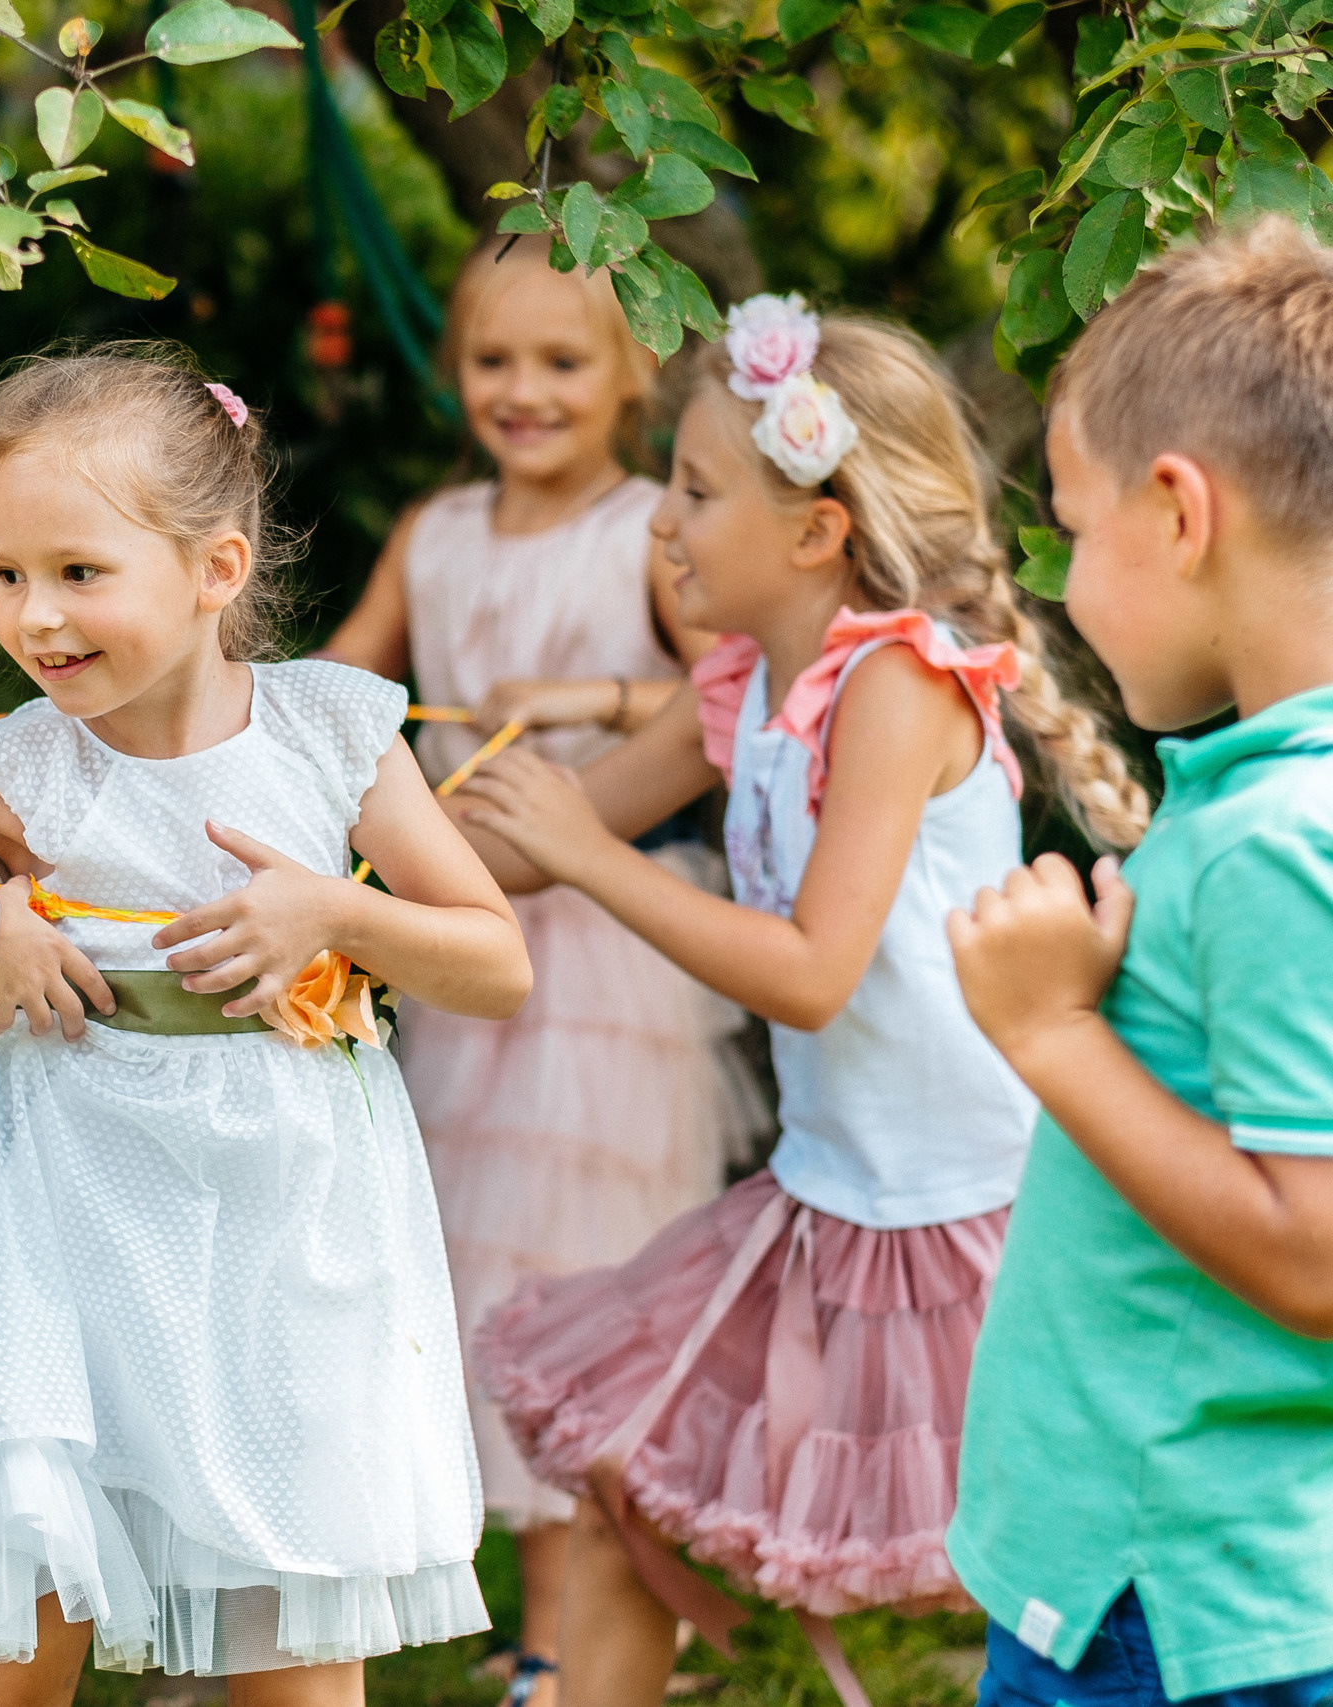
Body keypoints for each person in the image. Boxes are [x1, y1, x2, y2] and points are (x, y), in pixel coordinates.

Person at [0, 345, 533, 1705]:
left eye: (79, 573)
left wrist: (335, 917)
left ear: (215, 569)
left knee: (295, 1638)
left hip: (291, 1228)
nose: (35, 616)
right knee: (22, 1621)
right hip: (67, 1221)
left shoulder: (334, 736)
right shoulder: (16, 767)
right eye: (11, 575)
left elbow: (494, 963)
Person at [455, 298, 1148, 1707]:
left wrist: (595, 864)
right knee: (625, 1487)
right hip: (829, 1198)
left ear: (816, 530)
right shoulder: (747, 678)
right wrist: (332, 857)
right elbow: (524, 842)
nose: (663, 526)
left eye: (698, 492)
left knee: (1067, 1557)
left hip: (974, 1217)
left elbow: (817, 975)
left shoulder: (895, 686)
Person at [316, 236, 758, 1705]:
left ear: (634, 376)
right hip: (461, 961)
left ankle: (594, 1635)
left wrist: (597, 694)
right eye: (495, 360)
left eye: (563, 361)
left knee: (587, 1276)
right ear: (454, 373)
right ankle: (542, 1627)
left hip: (604, 969)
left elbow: (725, 698)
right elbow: (333, 697)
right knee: (479, 1272)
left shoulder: (650, 526)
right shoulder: (431, 536)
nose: (525, 390)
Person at [944, 219, 1333, 1707]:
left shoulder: (1272, 843)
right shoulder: (1267, 803)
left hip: (1169, 1601)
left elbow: (1315, 1255)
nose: (1066, 586)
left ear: (1180, 514)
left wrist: (1050, 1035)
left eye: (1071, 526)